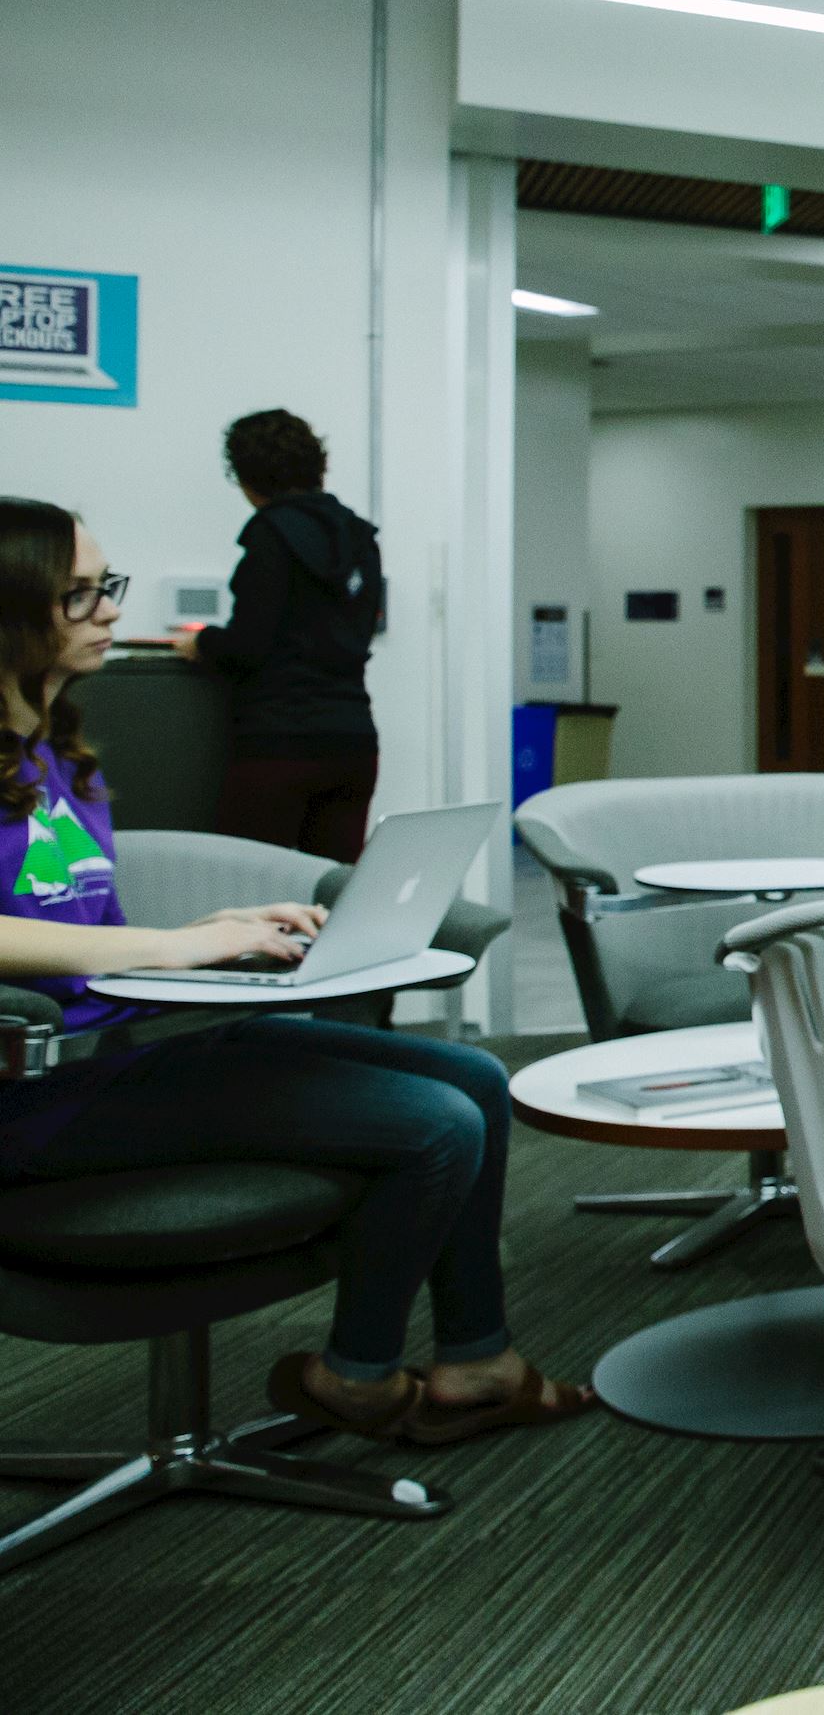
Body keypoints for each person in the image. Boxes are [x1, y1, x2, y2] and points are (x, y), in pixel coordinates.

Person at [0, 497, 595, 1444]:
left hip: (120, 1047)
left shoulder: (57, 751)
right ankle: (356, 1377)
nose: (110, 609)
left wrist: (212, 925)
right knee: (433, 1125)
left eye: (103, 586)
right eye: (80, 594)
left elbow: (75, 924)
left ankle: (477, 1359)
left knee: (479, 1078)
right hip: (36, 1093)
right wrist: (163, 949)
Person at [172, 410, 384, 862]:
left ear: (247, 476)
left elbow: (248, 648)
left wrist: (201, 642)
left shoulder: (271, 536)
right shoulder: (360, 537)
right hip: (352, 743)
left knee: (248, 890)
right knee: (330, 894)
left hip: (279, 744)